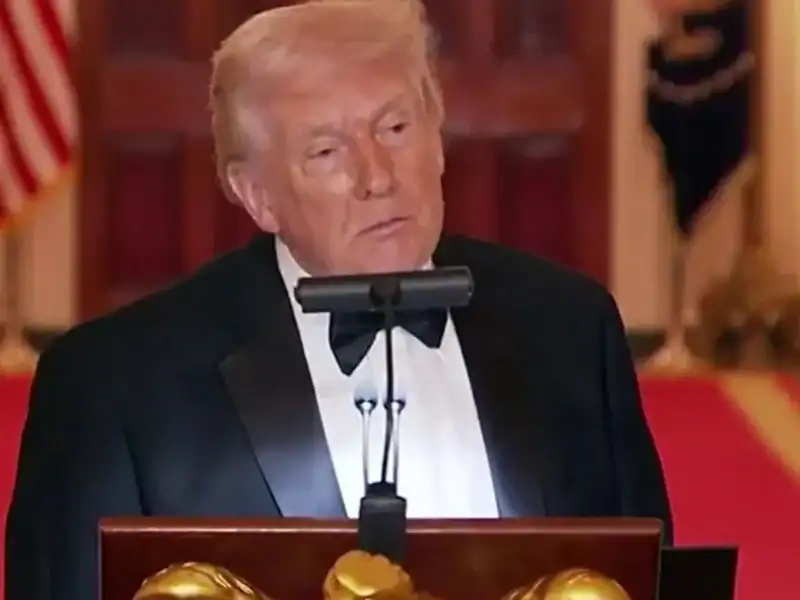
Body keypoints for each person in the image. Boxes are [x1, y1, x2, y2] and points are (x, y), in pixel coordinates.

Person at [5, 1, 672, 599]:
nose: (376, 177)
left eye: (396, 128)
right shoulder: (114, 387)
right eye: (326, 151)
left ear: (438, 136)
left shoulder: (570, 328)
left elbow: (648, 581)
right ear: (257, 196)